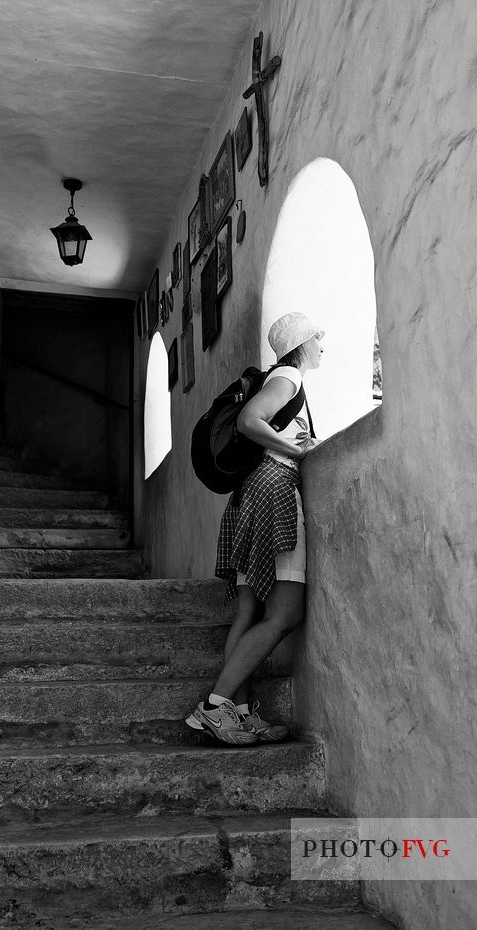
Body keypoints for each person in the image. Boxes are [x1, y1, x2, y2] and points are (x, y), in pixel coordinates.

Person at [186, 312, 324, 745]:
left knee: (249, 611)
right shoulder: (288, 376)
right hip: (273, 488)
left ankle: (239, 713)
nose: (323, 345)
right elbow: (249, 421)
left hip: (250, 491)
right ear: (303, 344)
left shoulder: (275, 376)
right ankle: (215, 706)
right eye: (318, 338)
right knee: (285, 613)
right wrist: (296, 450)